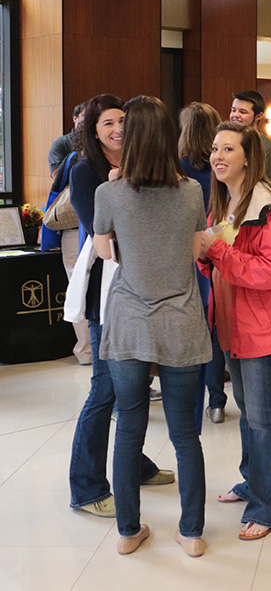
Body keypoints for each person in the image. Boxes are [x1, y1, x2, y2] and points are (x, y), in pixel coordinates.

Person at [93, 95, 211, 556]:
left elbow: (105, 252)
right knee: (185, 433)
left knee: (129, 428)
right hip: (180, 319)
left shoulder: (109, 193)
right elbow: (196, 250)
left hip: (129, 320)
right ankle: (192, 532)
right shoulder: (191, 191)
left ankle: (128, 531)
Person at [198, 122, 271, 540]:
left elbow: (269, 271)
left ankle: (268, 507)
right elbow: (217, 260)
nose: (218, 156)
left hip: (263, 325)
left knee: (263, 416)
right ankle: (253, 482)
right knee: (248, 408)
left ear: (248, 158)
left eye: (228, 149)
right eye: (215, 148)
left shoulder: (265, 207)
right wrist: (207, 256)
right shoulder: (225, 203)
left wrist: (215, 250)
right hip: (234, 323)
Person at [68, 94, 173, 519]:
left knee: (132, 386)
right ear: (93, 131)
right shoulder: (85, 172)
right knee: (105, 389)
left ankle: (136, 465)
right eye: (108, 123)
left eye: (123, 121)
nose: (118, 129)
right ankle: (86, 487)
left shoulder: (139, 164)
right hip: (107, 293)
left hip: (142, 288)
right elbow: (104, 234)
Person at [230, 89, 271, 391]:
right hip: (237, 236)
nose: (235, 115)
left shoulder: (270, 152)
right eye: (233, 110)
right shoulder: (232, 144)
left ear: (258, 117)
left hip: (262, 235)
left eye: (242, 111)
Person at [179, 101, 228, 424]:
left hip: (185, 256)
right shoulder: (222, 168)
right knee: (215, 330)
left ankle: (188, 401)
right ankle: (217, 401)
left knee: (192, 331)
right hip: (218, 252)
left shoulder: (175, 167)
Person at [48, 101, 90, 365]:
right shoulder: (65, 148)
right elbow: (57, 181)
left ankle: (93, 350)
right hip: (74, 228)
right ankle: (86, 350)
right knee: (78, 287)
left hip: (92, 229)